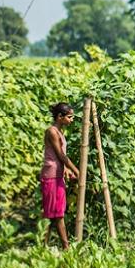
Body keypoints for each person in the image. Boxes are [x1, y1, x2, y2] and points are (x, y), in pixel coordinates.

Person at [40, 102, 80, 250]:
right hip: (50, 176)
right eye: (69, 117)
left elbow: (59, 158)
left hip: (58, 176)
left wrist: (66, 171)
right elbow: (60, 156)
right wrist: (76, 170)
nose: (71, 120)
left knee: (56, 213)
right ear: (60, 117)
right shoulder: (52, 132)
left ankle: (44, 245)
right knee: (55, 214)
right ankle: (66, 247)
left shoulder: (60, 132)